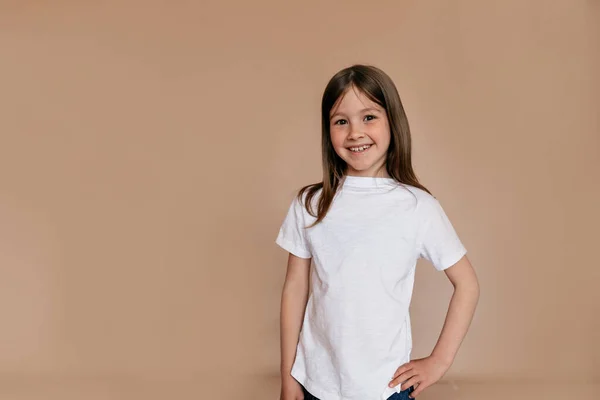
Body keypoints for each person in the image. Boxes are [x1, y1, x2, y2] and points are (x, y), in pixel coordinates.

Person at [276, 64, 480, 400]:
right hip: (315, 381)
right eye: (341, 121)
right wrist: (288, 376)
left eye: (369, 117)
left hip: (384, 387)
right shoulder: (310, 203)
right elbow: (294, 289)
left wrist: (439, 361)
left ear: (393, 122)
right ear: (328, 131)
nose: (355, 132)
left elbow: (467, 284)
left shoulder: (416, 206)